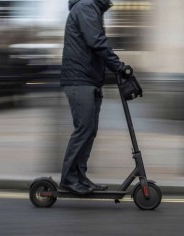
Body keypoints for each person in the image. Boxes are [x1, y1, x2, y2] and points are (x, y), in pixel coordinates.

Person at [60, 0, 133, 195]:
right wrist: (118, 66)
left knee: (89, 131)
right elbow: (96, 41)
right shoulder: (86, 6)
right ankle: (68, 179)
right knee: (83, 129)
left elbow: (94, 47)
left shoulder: (93, 9)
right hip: (79, 80)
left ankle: (80, 178)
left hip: (89, 80)